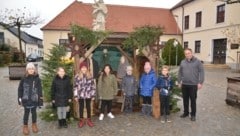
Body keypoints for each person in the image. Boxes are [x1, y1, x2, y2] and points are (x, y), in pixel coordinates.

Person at [178, 48, 204, 121]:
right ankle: (186, 112)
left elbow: (202, 72)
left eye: (188, 53)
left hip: (193, 85)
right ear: (185, 55)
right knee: (185, 100)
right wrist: (179, 81)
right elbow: (180, 72)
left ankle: (193, 115)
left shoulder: (197, 62)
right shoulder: (182, 62)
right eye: (186, 54)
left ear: (191, 53)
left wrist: (200, 82)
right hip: (184, 84)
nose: (187, 55)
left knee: (193, 100)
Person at [18, 63, 43, 135]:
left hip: (34, 100)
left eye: (32, 69)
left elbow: (40, 90)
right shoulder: (23, 78)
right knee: (26, 113)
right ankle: (25, 126)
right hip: (26, 100)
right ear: (27, 70)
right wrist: (20, 99)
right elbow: (20, 89)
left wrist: (40, 101)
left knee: (34, 113)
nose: (31, 70)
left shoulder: (37, 79)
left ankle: (34, 124)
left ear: (34, 70)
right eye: (29, 69)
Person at [74, 61, 96, 128]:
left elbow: (93, 86)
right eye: (82, 68)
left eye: (85, 68)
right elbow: (75, 87)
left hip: (88, 94)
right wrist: (75, 95)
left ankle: (89, 119)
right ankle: (81, 120)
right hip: (80, 95)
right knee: (81, 107)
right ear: (80, 68)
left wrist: (93, 95)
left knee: (88, 107)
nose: (84, 69)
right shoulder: (77, 76)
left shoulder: (90, 76)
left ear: (87, 68)